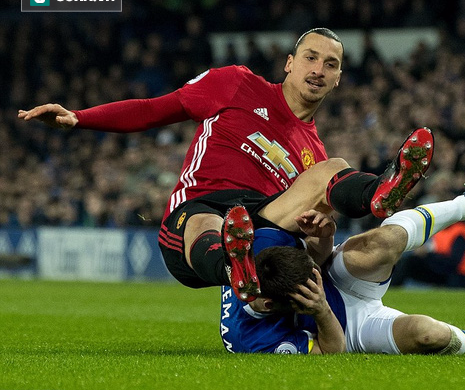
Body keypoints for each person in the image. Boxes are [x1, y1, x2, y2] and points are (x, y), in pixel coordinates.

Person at [18, 28, 436, 302]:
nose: (318, 69)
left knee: (333, 169)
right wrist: (81, 117)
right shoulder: (236, 82)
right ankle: (234, 266)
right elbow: (154, 109)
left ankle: (380, 193)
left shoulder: (314, 151)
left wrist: (319, 234)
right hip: (198, 211)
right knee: (211, 225)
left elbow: (314, 245)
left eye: (331, 64)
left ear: (339, 78)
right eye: (310, 57)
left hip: (258, 224)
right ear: (289, 63)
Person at [220, 165, 465, 355]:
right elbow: (332, 352)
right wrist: (320, 307)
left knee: (381, 243)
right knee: (429, 335)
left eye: (311, 276)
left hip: (337, 279)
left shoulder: (261, 243)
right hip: (346, 326)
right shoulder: (253, 341)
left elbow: (315, 258)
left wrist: (322, 238)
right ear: (267, 305)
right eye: (305, 289)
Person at [390, 220, 465, 289]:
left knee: (411, 262)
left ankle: (392, 287)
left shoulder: (461, 231)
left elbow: (454, 262)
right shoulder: (442, 231)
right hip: (446, 271)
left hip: (462, 277)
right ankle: (392, 285)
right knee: (410, 261)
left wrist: (428, 255)